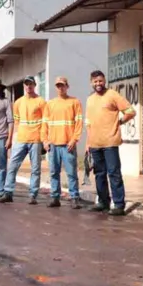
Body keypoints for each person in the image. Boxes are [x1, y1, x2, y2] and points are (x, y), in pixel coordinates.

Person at [85, 69, 135, 216]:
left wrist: (119, 122)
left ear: (104, 81)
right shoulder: (90, 99)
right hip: (95, 143)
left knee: (114, 173)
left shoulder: (112, 95)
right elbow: (88, 123)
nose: (98, 84)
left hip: (110, 142)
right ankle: (103, 202)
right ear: (91, 83)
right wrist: (88, 142)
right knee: (99, 174)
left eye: (100, 81)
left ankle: (119, 204)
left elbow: (130, 111)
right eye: (95, 81)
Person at [0, 76, 46, 205]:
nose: (28, 87)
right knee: (13, 166)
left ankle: (33, 195)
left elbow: (44, 122)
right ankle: (8, 192)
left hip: (35, 140)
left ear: (35, 85)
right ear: (24, 86)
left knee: (35, 168)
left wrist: (43, 140)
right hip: (21, 139)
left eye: (31, 84)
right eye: (26, 84)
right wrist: (12, 137)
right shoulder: (19, 102)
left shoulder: (41, 102)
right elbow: (17, 121)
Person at [42, 77, 83, 209]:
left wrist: (74, 139)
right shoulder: (50, 104)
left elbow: (79, 123)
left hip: (68, 145)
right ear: (56, 87)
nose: (61, 88)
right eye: (58, 86)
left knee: (71, 173)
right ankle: (55, 197)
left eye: (63, 85)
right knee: (54, 172)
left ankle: (74, 197)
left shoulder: (74, 102)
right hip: (53, 145)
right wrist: (45, 140)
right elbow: (45, 124)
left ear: (67, 86)